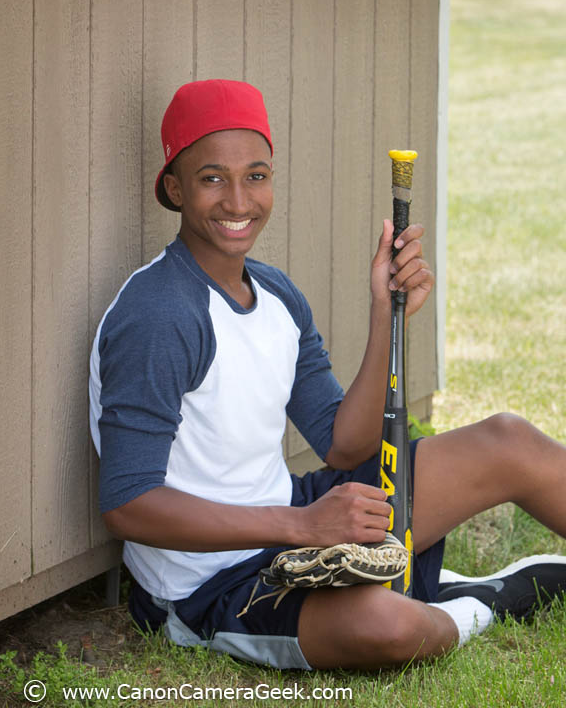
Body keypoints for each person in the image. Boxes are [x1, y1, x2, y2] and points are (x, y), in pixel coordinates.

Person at [89, 79, 566, 671]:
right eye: (213, 177)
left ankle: (412, 585)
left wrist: (383, 313)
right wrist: (302, 525)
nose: (238, 200)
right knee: (388, 626)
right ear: (175, 188)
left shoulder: (275, 292)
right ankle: (484, 599)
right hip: (209, 584)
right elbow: (128, 504)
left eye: (256, 175)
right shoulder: (160, 313)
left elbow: (345, 444)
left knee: (509, 442)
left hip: (293, 516)